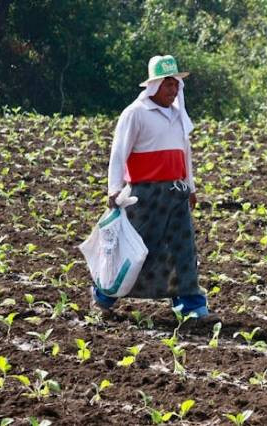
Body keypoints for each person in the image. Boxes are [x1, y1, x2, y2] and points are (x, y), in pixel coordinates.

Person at [90, 54, 213, 320]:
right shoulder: (135, 114)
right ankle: (103, 296)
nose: (174, 89)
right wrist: (114, 189)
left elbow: (185, 153)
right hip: (144, 195)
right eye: (169, 84)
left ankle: (192, 305)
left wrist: (190, 187)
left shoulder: (178, 116)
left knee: (184, 248)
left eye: (176, 84)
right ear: (154, 86)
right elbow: (118, 152)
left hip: (175, 192)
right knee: (134, 248)